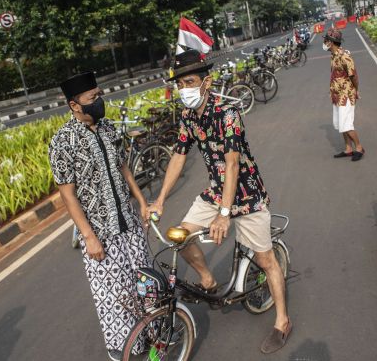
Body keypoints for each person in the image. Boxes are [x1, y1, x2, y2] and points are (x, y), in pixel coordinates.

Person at [146, 49, 291, 354]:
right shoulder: (188, 117)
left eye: (189, 82)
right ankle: (209, 281)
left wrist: (225, 214)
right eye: (180, 84)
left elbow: (233, 165)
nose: (184, 89)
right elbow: (178, 157)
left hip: (246, 194)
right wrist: (158, 200)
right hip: (216, 192)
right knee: (180, 237)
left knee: (265, 260)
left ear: (206, 82)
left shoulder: (228, 114)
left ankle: (282, 321)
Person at [48, 72, 152, 361]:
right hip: (100, 235)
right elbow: (67, 194)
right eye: (92, 98)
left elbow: (124, 168)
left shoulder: (107, 128)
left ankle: (152, 336)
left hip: (129, 224)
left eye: (99, 95)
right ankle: (126, 351)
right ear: (74, 105)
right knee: (115, 297)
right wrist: (89, 237)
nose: (99, 101)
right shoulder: (62, 141)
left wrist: (142, 202)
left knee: (144, 283)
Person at [323, 28, 364, 162]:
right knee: (340, 123)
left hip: (346, 95)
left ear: (332, 42)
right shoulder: (333, 56)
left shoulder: (345, 57)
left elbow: (354, 76)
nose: (324, 42)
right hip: (337, 95)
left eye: (326, 40)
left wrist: (356, 91)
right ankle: (348, 148)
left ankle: (358, 147)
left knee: (346, 124)